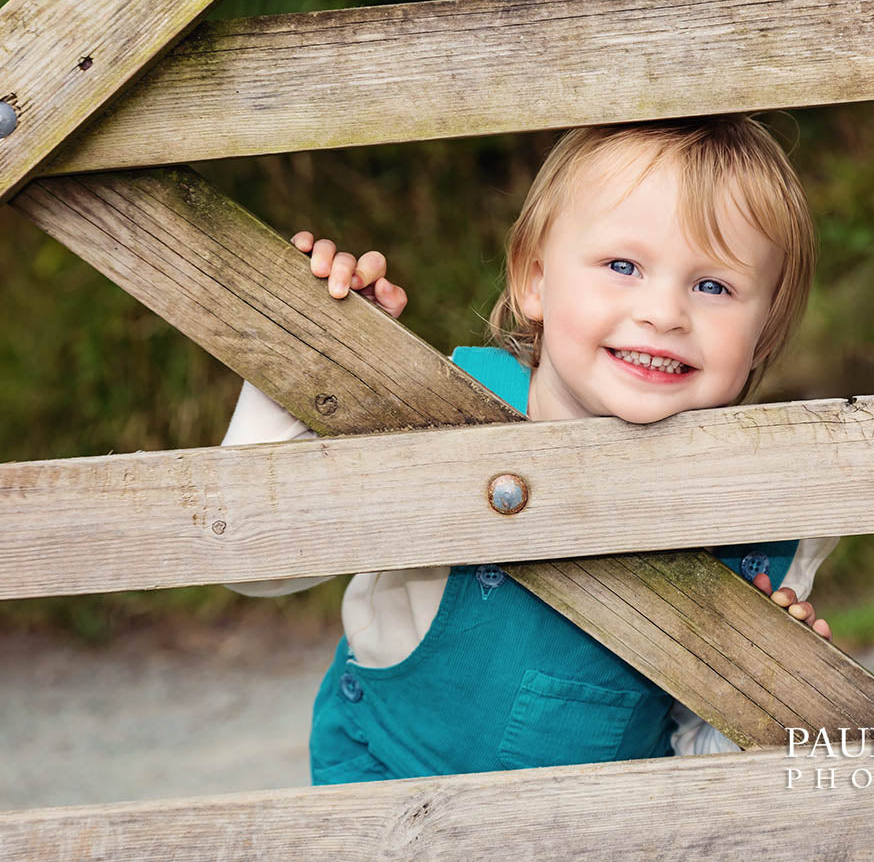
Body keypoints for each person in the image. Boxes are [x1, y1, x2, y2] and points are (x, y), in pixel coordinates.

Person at [221, 115, 838, 784]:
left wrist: (763, 691)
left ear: (764, 335)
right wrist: (307, 367)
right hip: (388, 797)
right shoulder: (440, 414)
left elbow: (701, 768)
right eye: (623, 266)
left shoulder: (763, 514)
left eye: (712, 286)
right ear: (535, 280)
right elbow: (255, 563)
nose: (664, 313)